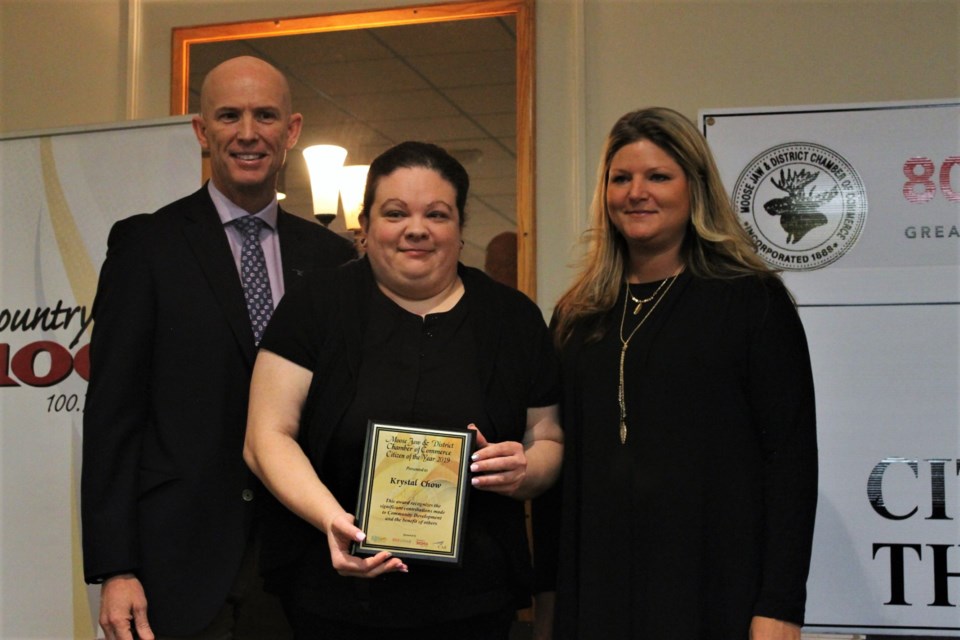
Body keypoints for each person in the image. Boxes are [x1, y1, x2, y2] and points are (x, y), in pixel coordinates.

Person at [81, 56, 356, 640]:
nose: (248, 132)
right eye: (229, 116)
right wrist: (116, 568)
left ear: (292, 130)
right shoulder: (146, 247)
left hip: (306, 564)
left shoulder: (332, 261)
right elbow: (113, 418)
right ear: (202, 132)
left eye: (265, 115)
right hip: (177, 566)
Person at [243, 140, 563, 640]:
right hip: (334, 595)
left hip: (472, 601)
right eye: (395, 213)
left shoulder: (513, 318)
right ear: (365, 228)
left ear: (459, 230)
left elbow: (549, 439)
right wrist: (332, 520)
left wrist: (524, 470)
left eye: (437, 214)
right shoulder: (316, 305)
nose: (417, 228)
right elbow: (266, 436)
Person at [534, 107, 818, 639]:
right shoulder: (577, 315)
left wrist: (780, 607)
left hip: (712, 589)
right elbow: (560, 472)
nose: (636, 192)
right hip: (595, 591)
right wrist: (548, 594)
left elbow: (791, 462)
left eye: (658, 176)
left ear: (696, 190)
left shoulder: (752, 302)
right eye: (621, 178)